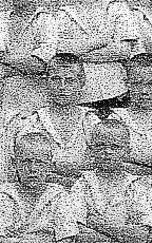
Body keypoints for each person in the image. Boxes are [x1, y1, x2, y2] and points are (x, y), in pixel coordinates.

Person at [53, 0, 139, 110]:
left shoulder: (118, 9)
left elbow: (122, 50)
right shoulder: (64, 13)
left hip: (114, 91)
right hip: (75, 94)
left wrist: (77, 51)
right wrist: (100, 41)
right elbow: (59, 50)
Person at [13, 54, 100, 182]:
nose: (62, 87)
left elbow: (102, 163)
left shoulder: (90, 121)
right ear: (46, 82)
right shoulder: (34, 122)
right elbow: (25, 167)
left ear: (81, 83)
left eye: (70, 80)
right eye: (56, 79)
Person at [0, 0, 59, 113]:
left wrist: (2, 58)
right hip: (1, 103)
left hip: (39, 102)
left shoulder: (46, 20)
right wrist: (23, 64)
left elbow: (39, 65)